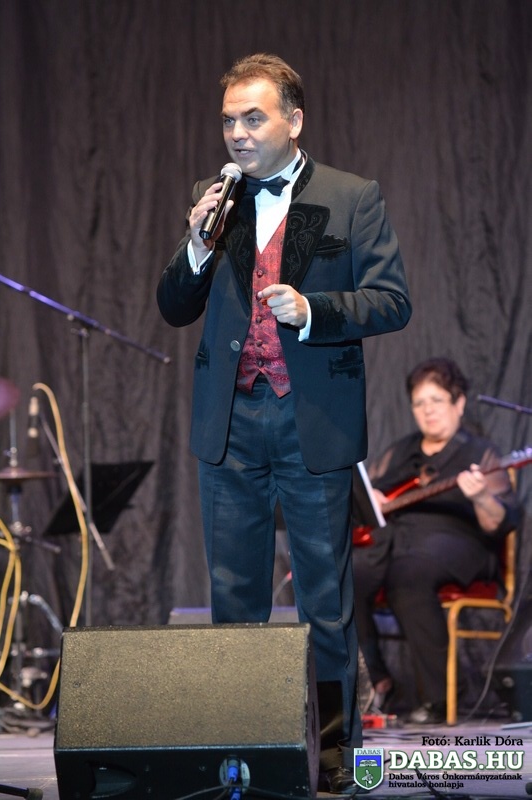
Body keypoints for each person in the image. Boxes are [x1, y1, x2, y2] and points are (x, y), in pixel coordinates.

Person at [157, 53, 411, 793]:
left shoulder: (351, 196)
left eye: (253, 118)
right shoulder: (215, 201)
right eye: (228, 121)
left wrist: (313, 310)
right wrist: (197, 243)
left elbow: (392, 300)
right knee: (234, 601)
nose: (237, 134)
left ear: (293, 121)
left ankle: (333, 761)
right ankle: (243, 761)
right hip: (231, 423)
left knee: (324, 604)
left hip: (311, 423)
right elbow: (174, 307)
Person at [352, 357, 522, 725]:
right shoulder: (401, 452)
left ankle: (440, 697)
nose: (427, 410)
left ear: (459, 403)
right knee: (350, 574)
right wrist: (374, 500)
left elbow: (500, 523)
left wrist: (480, 496)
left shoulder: (480, 454)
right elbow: (366, 497)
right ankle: (376, 680)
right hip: (397, 540)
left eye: (437, 400)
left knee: (408, 574)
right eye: (419, 403)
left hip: (458, 542)